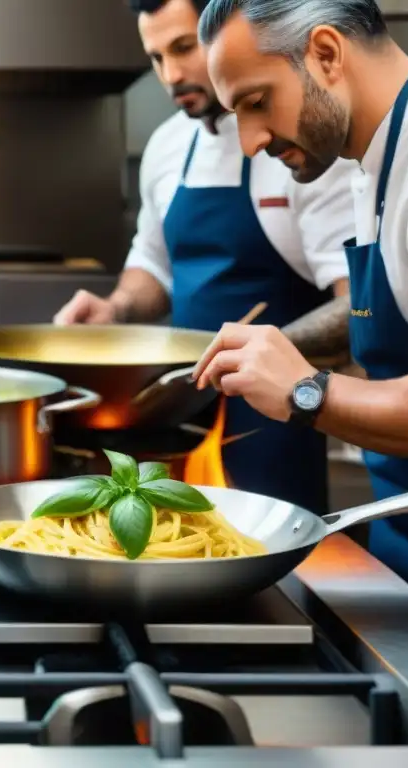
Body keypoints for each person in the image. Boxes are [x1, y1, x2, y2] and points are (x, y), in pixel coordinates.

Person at [194, 0, 408, 616]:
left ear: (327, 54)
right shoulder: (377, 162)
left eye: (257, 103)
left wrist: (305, 391)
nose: (251, 141)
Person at [53, 0, 358, 515]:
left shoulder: (297, 146)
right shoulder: (168, 146)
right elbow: (153, 264)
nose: (171, 75)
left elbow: (360, 305)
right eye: (155, 58)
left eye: (184, 48)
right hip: (180, 424)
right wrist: (116, 310)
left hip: (276, 426)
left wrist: (253, 357)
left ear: (224, 32)